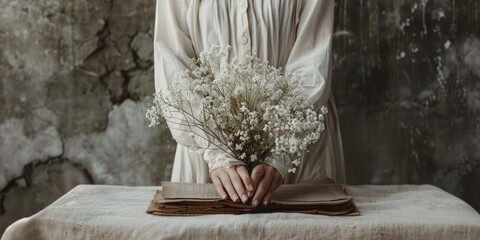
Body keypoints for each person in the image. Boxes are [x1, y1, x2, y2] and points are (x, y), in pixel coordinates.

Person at [153, 0, 346, 207]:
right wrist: (215, 149)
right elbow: (172, 61)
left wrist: (279, 152)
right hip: (205, 150)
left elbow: (312, 63)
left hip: (298, 148)